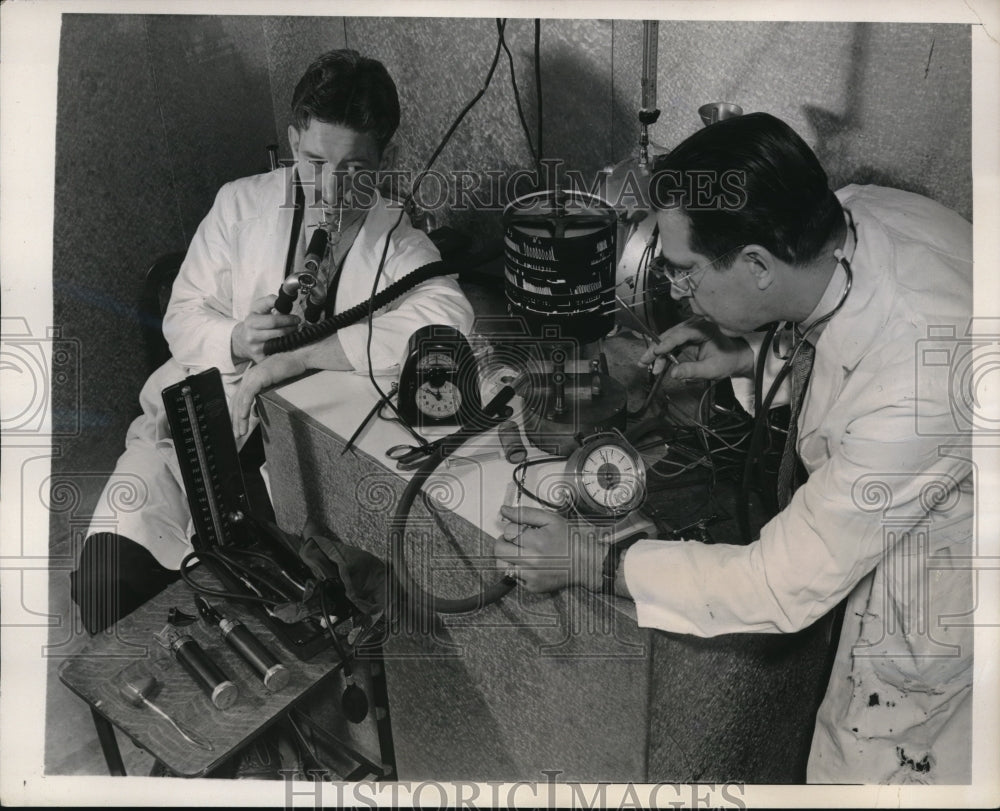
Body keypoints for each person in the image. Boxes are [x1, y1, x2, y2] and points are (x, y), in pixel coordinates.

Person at [493, 112, 973, 784]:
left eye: (685, 271)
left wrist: (596, 563)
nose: (676, 290)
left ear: (754, 264)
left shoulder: (918, 380)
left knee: (874, 765)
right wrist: (746, 350)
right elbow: (839, 321)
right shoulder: (858, 210)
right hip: (910, 497)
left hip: (941, 619)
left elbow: (778, 583)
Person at [72, 49, 474, 635]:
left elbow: (449, 322)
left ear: (385, 160)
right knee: (107, 586)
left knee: (268, 618)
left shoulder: (400, 245)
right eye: (314, 161)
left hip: (291, 467)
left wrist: (296, 357)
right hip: (190, 437)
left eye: (355, 169)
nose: (332, 189)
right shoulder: (241, 205)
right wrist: (236, 337)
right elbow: (182, 317)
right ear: (291, 141)